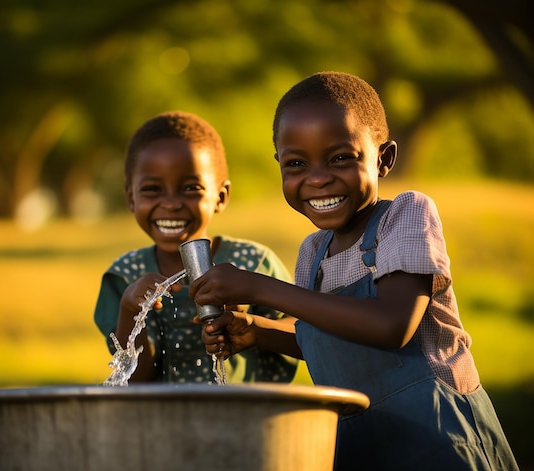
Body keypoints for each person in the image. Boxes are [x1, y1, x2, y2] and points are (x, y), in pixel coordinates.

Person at [190, 72, 519, 470]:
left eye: (340, 157)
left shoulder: (404, 215)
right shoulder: (313, 252)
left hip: (439, 436)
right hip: (361, 443)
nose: (317, 177)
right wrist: (257, 330)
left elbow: (391, 326)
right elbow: (332, 338)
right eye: (296, 163)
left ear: (384, 158)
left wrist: (260, 288)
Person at [93, 110, 297, 384]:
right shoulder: (125, 277)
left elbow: (305, 336)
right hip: (159, 423)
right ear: (131, 197)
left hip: (245, 418)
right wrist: (131, 312)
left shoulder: (253, 264)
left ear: (220, 196)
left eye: (190, 188)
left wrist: (252, 325)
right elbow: (135, 381)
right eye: (153, 189)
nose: (171, 203)